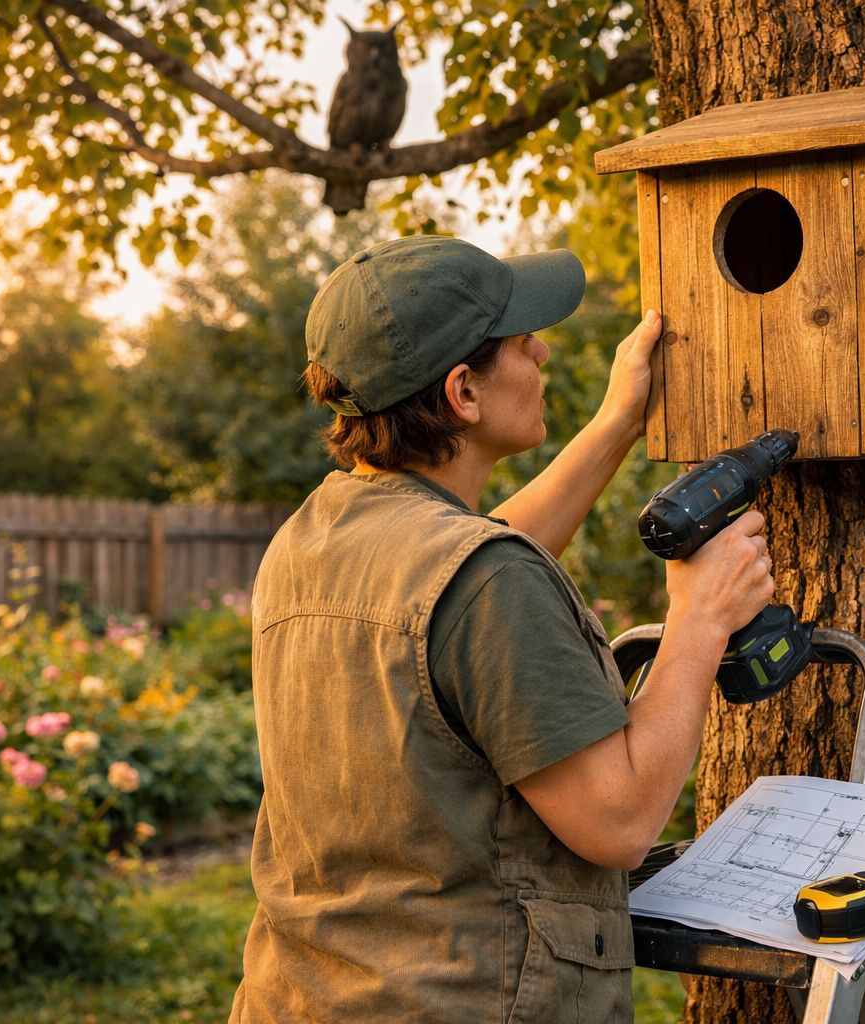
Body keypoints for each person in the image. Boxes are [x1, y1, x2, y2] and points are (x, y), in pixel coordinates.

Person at [230, 236, 773, 1023]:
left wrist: (617, 423)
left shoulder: (314, 536)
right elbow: (618, 822)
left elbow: (460, 579)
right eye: (522, 344)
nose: (543, 350)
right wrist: (701, 618)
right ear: (464, 392)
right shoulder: (485, 582)